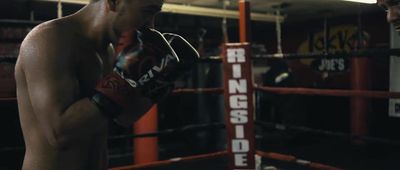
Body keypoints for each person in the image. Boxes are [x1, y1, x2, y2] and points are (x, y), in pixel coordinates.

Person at [15, 0, 198, 169]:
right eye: (147, 12)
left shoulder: (107, 51)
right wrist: (125, 78)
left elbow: (124, 117)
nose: (150, 25)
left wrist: (161, 82)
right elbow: (59, 133)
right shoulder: (50, 40)